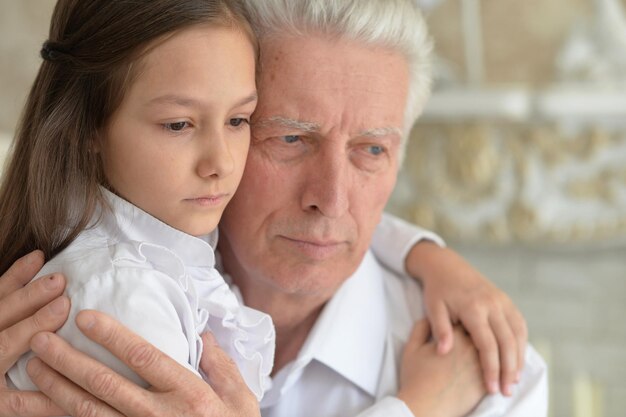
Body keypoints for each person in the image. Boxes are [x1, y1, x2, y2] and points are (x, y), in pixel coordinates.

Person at [0, 0, 544, 416]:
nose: (329, 200)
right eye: (290, 140)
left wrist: (425, 253)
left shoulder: (488, 378)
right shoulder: (94, 295)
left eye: (371, 150)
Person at [0, 0, 274, 405]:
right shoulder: (124, 298)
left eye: (238, 120)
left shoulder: (172, 246)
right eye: (178, 124)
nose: (222, 162)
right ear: (88, 124)